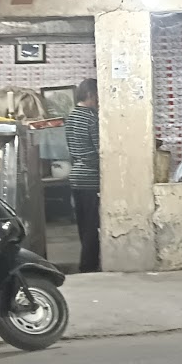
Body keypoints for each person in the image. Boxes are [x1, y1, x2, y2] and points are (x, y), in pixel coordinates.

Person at [64, 78, 102, 273]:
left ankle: (87, 264)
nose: (98, 100)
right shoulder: (91, 118)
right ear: (89, 95)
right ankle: (88, 266)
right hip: (90, 179)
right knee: (92, 228)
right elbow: (99, 150)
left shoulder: (70, 117)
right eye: (97, 96)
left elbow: (71, 150)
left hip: (76, 177)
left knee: (82, 225)